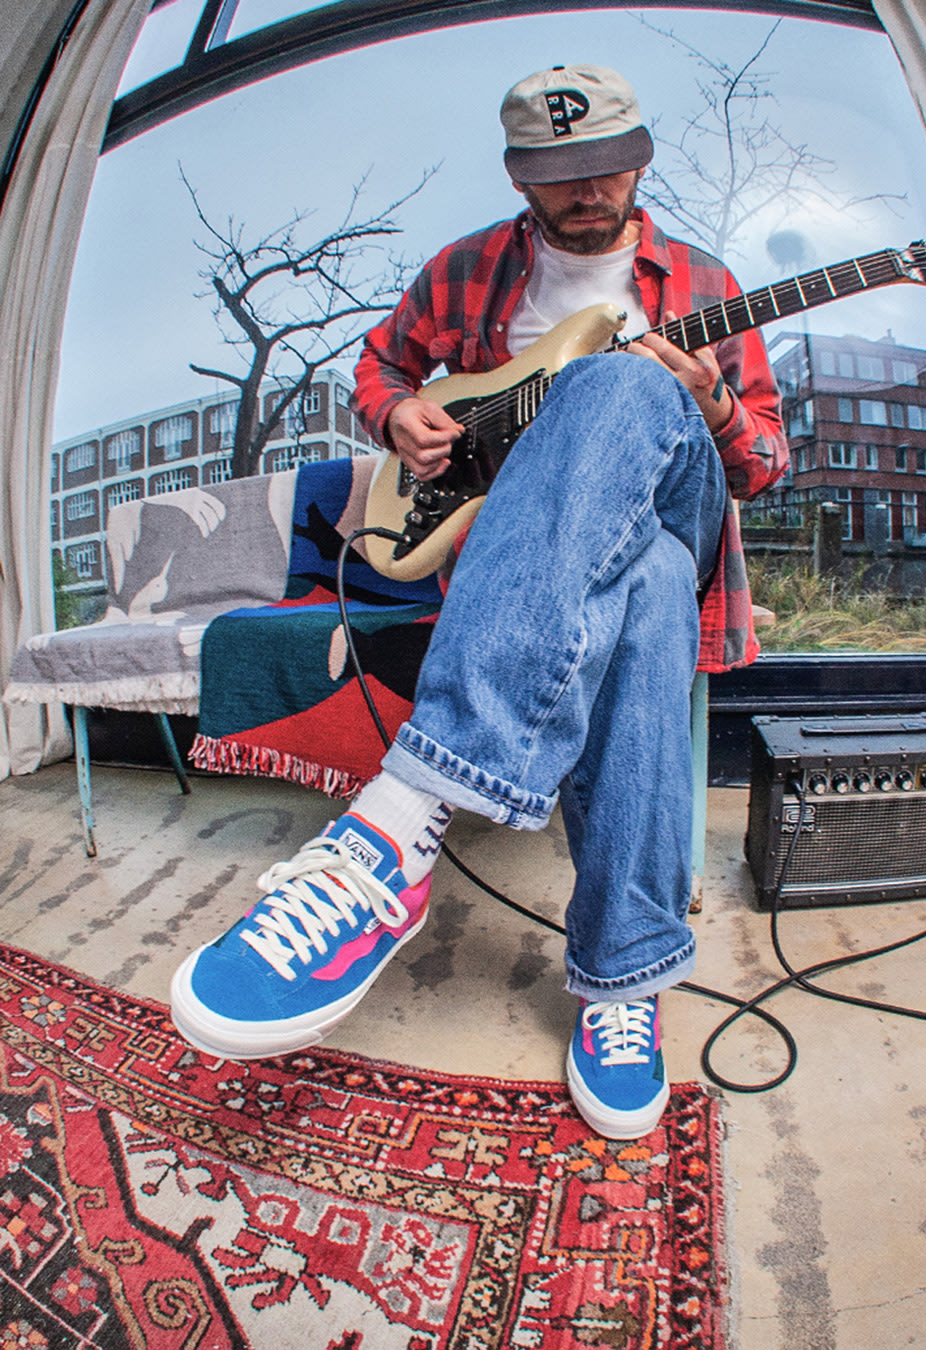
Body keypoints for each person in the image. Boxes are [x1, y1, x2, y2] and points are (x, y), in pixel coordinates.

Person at [170, 64, 788, 1140]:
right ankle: (624, 976)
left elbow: (763, 464)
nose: (588, 191)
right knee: (641, 587)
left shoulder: (704, 279)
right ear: (518, 176)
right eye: (561, 174)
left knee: (623, 386)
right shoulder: (461, 272)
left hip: (680, 509)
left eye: (607, 168)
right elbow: (378, 368)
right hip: (550, 565)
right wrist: (396, 414)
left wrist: (713, 401)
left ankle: (398, 824)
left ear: (640, 160)